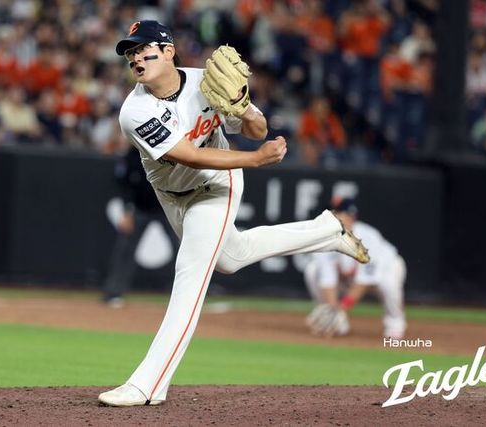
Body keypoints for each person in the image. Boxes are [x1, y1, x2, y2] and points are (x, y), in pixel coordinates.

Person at [98, 20, 369, 407]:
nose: (136, 58)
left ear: (169, 51)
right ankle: (326, 231)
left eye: (144, 49)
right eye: (130, 53)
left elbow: (257, 130)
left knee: (190, 274)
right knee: (230, 257)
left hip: (217, 185)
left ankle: (147, 384)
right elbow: (188, 155)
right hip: (172, 194)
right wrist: (256, 160)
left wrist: (244, 106)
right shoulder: (135, 111)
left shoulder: (206, 82)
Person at [303, 187, 406, 340]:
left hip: (384, 270)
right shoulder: (324, 239)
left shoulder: (368, 236)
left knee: (388, 281)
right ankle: (332, 318)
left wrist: (342, 308)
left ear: (351, 216)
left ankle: (395, 322)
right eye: (332, 213)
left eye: (338, 213)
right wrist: (334, 310)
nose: (333, 217)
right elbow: (327, 280)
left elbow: (364, 281)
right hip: (349, 278)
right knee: (312, 270)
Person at [101, 146, 177, 308]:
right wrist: (127, 210)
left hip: (167, 207)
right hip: (139, 208)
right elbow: (123, 183)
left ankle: (188, 294)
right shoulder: (133, 153)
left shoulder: (167, 146)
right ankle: (114, 292)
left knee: (183, 249)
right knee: (125, 250)